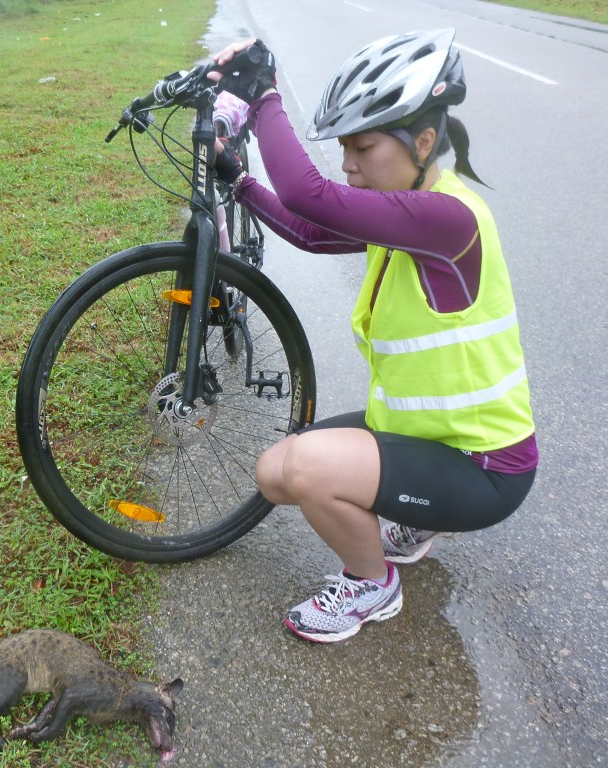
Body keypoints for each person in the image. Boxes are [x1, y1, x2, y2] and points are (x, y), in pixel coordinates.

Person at [208, 30, 538, 643]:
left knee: (308, 468)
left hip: (485, 467)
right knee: (275, 472)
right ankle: (419, 518)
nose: (349, 165)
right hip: (428, 438)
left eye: (361, 147)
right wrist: (241, 182)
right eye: (343, 149)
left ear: (424, 141)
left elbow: (313, 196)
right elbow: (312, 231)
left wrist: (263, 96)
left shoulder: (449, 218)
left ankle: (370, 585)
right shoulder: (410, 210)